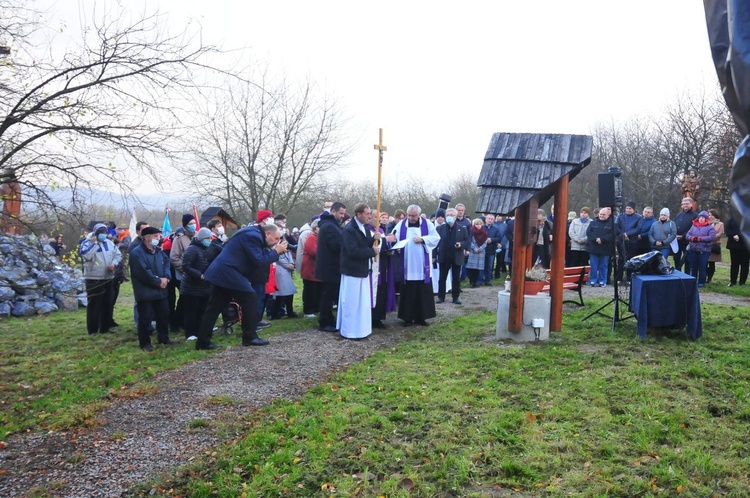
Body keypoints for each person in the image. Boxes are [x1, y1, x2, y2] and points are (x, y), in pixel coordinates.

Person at [196, 223, 288, 350]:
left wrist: (274, 251)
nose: (277, 242)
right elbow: (259, 260)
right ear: (268, 234)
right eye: (276, 239)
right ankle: (249, 336)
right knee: (250, 298)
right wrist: (276, 251)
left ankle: (203, 341)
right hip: (228, 271)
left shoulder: (254, 233)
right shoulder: (253, 237)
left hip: (223, 271)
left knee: (214, 307)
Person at [336, 203, 380, 339]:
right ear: (358, 214)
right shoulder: (349, 230)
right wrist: (372, 252)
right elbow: (352, 251)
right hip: (352, 271)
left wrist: (373, 239)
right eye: (367, 214)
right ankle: (350, 331)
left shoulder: (364, 227)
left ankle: (361, 329)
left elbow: (364, 243)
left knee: (362, 303)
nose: (369, 217)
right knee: (351, 303)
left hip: (362, 270)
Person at [392, 204, 439, 326]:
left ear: (419, 214)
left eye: (413, 215)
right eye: (409, 215)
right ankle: (407, 318)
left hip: (422, 264)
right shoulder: (402, 224)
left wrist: (423, 239)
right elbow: (394, 236)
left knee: (422, 292)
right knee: (408, 291)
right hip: (407, 263)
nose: (411, 218)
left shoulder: (427, 224)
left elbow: (436, 238)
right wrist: (395, 245)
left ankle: (421, 317)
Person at [129, 226, 174, 351]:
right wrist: (158, 282)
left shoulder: (158, 251)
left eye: (159, 236)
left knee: (163, 315)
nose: (158, 238)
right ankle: (145, 343)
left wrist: (166, 278)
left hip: (161, 291)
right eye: (155, 236)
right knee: (145, 319)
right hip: (145, 292)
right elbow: (143, 272)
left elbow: (166, 264)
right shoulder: (137, 253)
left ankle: (163, 338)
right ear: (146, 237)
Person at [79, 223, 122, 335]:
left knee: (107, 303)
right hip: (94, 278)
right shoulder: (86, 243)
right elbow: (86, 255)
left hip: (108, 277)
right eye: (101, 233)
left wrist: (114, 264)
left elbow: (118, 255)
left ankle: (105, 328)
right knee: (94, 304)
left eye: (105, 233)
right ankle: (92, 329)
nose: (103, 235)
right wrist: (95, 244)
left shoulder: (109, 243)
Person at [315, 201, 346, 332]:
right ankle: (324, 322)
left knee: (329, 295)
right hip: (330, 266)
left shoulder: (330, 225)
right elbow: (335, 246)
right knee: (328, 296)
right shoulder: (329, 226)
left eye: (344, 213)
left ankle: (329, 319)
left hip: (330, 265)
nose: (342, 216)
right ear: (333, 211)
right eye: (340, 213)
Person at [180, 228, 214, 341]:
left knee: (202, 310)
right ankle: (190, 333)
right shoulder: (192, 249)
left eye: (210, 238)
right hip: (191, 287)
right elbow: (185, 266)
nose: (209, 240)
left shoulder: (208, 249)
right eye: (207, 238)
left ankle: (200, 330)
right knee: (191, 311)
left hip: (205, 287)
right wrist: (199, 275)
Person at [435, 207, 469, 304]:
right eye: (448, 215)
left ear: (456, 217)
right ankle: (441, 297)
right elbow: (435, 243)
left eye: (452, 215)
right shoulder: (439, 228)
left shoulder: (462, 229)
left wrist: (461, 245)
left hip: (456, 256)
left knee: (456, 279)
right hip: (444, 256)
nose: (450, 217)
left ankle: (455, 297)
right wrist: (434, 256)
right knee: (442, 278)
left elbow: (467, 241)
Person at [169, 214, 196, 333]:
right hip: (183, 275)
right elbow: (174, 258)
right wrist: (186, 269)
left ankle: (186, 322)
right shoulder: (179, 239)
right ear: (185, 225)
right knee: (184, 299)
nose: (193, 225)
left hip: (195, 274)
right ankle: (175, 323)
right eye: (190, 223)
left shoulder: (197, 236)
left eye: (194, 222)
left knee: (191, 300)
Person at [685, 211, 716, 287]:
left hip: (704, 250)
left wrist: (700, 239)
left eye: (703, 218)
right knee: (694, 267)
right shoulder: (693, 226)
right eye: (700, 217)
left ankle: (701, 282)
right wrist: (692, 238)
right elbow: (687, 235)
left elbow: (711, 237)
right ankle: (693, 281)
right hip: (693, 249)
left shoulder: (710, 228)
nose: (701, 219)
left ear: (706, 219)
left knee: (702, 267)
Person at [615, 201, 643, 283]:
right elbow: (616, 226)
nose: (628, 210)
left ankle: (629, 278)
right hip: (621, 240)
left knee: (631, 259)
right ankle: (619, 277)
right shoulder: (620, 216)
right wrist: (623, 234)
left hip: (632, 241)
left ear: (633, 209)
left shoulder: (639, 217)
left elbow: (638, 229)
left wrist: (628, 234)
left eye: (630, 208)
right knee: (621, 259)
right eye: (627, 208)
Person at [586, 207, 614, 287]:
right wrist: (596, 239)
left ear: (608, 215)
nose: (601, 216)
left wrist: (602, 239)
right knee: (593, 266)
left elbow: (611, 235)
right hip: (593, 248)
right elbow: (589, 233)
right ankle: (593, 280)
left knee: (603, 266)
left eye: (603, 214)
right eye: (600, 214)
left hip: (605, 248)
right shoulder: (592, 223)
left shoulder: (611, 224)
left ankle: (602, 281)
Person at [269, 248, 298, 320]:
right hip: (280, 272)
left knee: (289, 292)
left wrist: (291, 263)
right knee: (278, 294)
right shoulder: (275, 250)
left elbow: (289, 256)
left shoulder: (287, 251)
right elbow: (277, 259)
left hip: (287, 272)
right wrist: (288, 265)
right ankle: (275, 313)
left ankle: (289, 311)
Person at [301, 219, 322, 317]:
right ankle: (308, 311)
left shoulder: (319, 237)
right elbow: (313, 252)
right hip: (310, 268)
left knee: (317, 290)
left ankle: (316, 308)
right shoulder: (311, 237)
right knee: (310, 290)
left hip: (317, 269)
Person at [674, 197, 698, 273]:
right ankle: (677, 273)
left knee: (687, 259)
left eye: (687, 204)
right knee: (676, 258)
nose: (685, 205)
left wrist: (683, 236)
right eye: (683, 204)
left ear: (691, 204)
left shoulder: (695, 215)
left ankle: (686, 275)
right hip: (676, 241)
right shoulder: (679, 215)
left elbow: (694, 228)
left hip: (687, 241)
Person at [725, 216, 749, 286]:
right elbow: (728, 230)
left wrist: (740, 236)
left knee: (745, 264)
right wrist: (733, 235)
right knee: (734, 264)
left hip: (745, 245)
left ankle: (742, 282)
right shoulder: (732, 219)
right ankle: (732, 281)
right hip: (734, 245)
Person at [465, 218, 488, 288]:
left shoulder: (484, 232)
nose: (478, 226)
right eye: (476, 224)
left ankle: (475, 282)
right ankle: (471, 282)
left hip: (480, 253)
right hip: (472, 252)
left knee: (477, 269)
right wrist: (474, 248)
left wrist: (479, 249)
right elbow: (469, 240)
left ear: (482, 224)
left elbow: (485, 242)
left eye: (479, 224)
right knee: (471, 269)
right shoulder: (471, 231)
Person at [481, 214, 503, 286]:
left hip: (491, 250)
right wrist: (485, 239)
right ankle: (480, 280)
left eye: (491, 219)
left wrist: (491, 239)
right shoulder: (481, 228)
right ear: (485, 219)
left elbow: (499, 238)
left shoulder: (496, 229)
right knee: (481, 266)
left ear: (493, 220)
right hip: (482, 250)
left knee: (489, 266)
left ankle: (488, 280)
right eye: (488, 219)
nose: (490, 220)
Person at [706, 209, 725, 284]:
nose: (709, 216)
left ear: (715, 216)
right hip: (706, 245)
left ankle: (709, 278)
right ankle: (704, 276)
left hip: (714, 245)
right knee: (704, 262)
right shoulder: (706, 223)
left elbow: (720, 234)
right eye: (709, 215)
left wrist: (710, 238)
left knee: (711, 263)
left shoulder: (720, 224)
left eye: (711, 215)